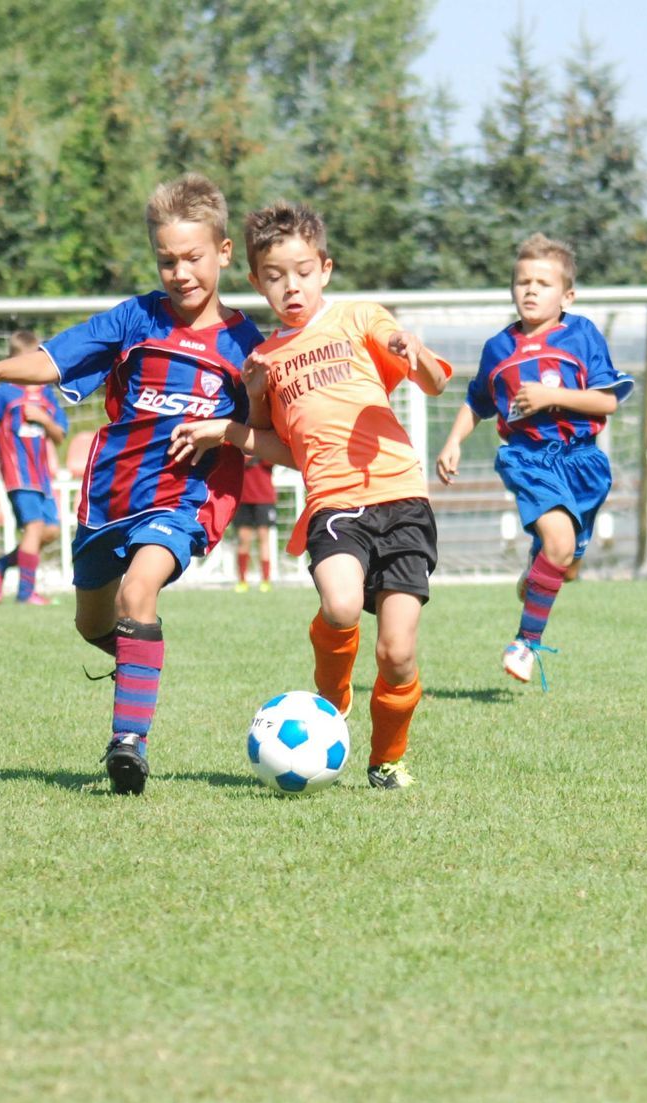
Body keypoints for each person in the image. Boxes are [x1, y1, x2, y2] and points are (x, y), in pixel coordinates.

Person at [0, 174, 260, 795]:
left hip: (182, 502)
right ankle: (143, 667)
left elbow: (272, 432)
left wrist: (222, 432)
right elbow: (56, 359)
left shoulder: (248, 347)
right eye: (166, 260)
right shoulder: (135, 317)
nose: (181, 272)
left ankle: (128, 745)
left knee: (139, 593)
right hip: (110, 494)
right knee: (95, 625)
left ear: (223, 253)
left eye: (193, 257)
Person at [174, 199, 452, 789]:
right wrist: (236, 417)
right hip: (333, 504)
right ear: (256, 282)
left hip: (403, 500)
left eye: (302, 272)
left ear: (325, 269)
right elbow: (279, 448)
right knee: (342, 606)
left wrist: (413, 351)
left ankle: (387, 760)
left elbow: (433, 382)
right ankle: (331, 692)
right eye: (274, 277)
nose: (290, 287)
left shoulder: (360, 320)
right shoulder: (266, 359)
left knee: (397, 654)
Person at [434, 234, 632, 686]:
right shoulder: (498, 349)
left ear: (567, 295)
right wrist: (453, 441)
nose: (530, 290)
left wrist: (550, 396)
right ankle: (524, 643)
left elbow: (607, 403)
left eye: (543, 283)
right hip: (530, 458)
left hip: (584, 462)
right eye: (523, 281)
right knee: (559, 545)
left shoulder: (582, 335)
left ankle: (538, 567)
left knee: (567, 562)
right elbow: (477, 402)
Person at [0, 330, 69, 606]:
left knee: (50, 531)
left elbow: (60, 436)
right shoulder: (2, 393)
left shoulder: (47, 396)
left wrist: (43, 419)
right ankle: (26, 594)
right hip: (18, 473)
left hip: (43, 476)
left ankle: (1, 565)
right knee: (35, 528)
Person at [232, 459, 278, 592]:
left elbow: (270, 460)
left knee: (263, 539)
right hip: (243, 497)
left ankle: (265, 580)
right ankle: (242, 580)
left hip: (264, 497)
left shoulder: (266, 439)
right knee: (243, 540)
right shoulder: (238, 442)